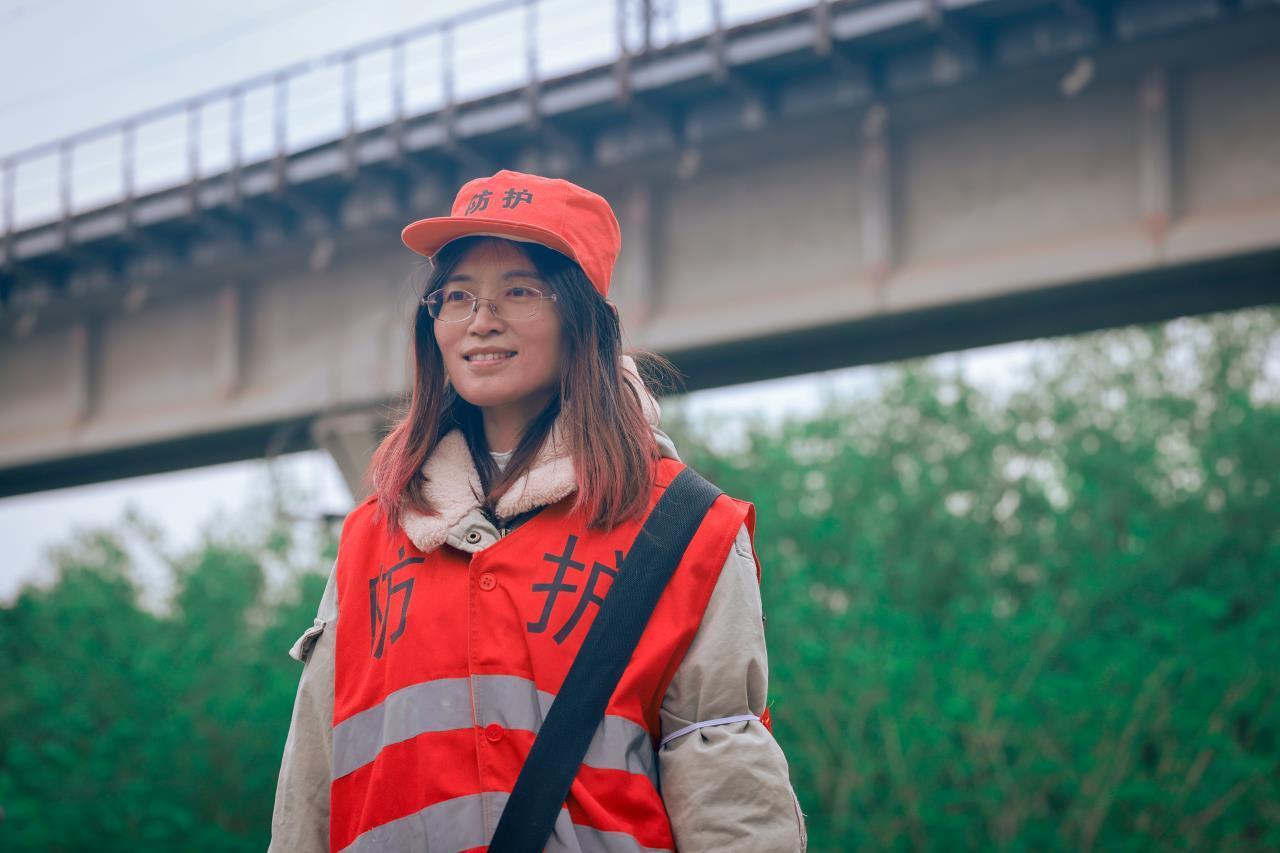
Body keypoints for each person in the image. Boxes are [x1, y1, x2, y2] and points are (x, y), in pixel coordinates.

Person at [269, 170, 806, 852]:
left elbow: (730, 794)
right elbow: (310, 786)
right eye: (456, 295)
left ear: (583, 317)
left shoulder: (690, 529)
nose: (480, 318)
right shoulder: (369, 538)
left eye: (519, 291)